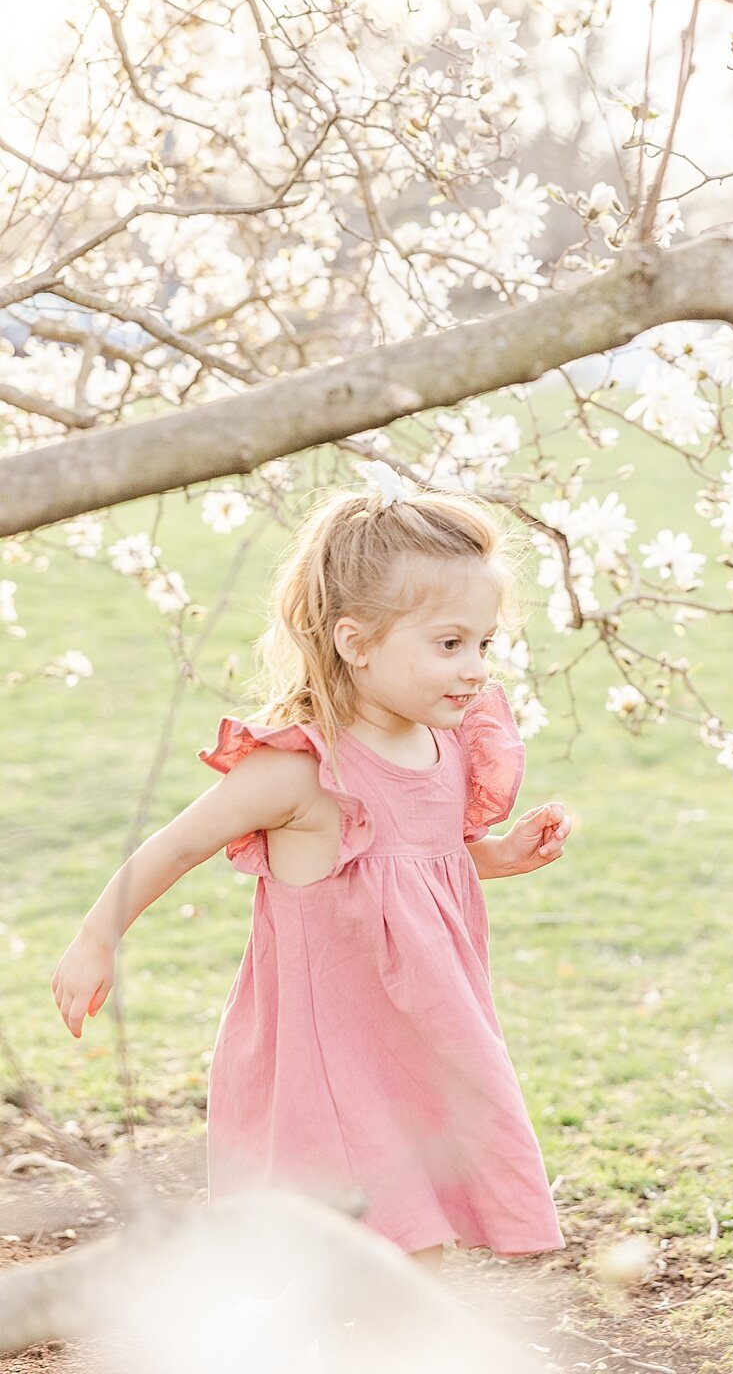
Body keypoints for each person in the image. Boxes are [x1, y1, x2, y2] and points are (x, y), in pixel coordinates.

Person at [51, 470, 572, 1274]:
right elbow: (175, 846)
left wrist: (496, 856)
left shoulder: (446, 748)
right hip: (326, 1054)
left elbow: (415, 865)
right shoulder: (301, 771)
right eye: (448, 644)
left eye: (484, 644)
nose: (474, 668)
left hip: (424, 1036)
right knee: (379, 1243)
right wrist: (97, 937)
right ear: (355, 641)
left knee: (411, 1228)